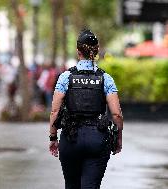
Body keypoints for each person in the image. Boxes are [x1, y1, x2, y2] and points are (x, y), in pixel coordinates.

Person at [48, 29, 123, 189]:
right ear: (96, 50)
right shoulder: (106, 78)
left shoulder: (65, 77)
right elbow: (116, 114)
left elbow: (55, 111)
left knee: (71, 185)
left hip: (70, 138)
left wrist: (53, 138)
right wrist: (118, 138)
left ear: (78, 51)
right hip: (97, 139)